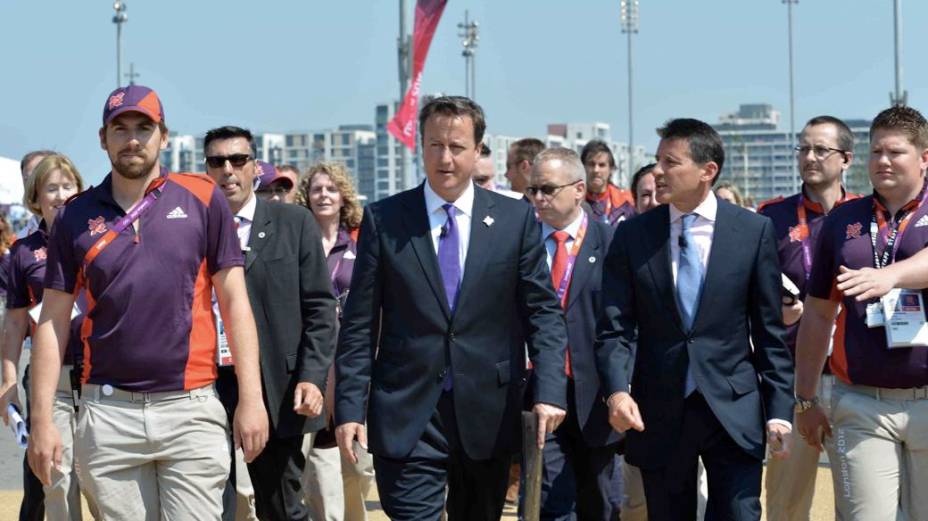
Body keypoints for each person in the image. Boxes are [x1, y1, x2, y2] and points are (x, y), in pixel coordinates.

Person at [27, 85, 269, 519]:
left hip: (190, 409)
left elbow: (235, 302)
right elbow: (51, 323)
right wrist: (42, 419)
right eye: (120, 129)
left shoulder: (202, 197)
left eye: (144, 127)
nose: (133, 139)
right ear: (103, 138)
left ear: (165, 135)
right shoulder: (74, 216)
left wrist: (251, 397)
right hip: (108, 414)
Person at [334, 95, 568, 520]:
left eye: (457, 147)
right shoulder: (385, 220)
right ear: (420, 146)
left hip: (487, 412)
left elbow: (543, 314)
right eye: (435, 145)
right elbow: (359, 323)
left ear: (478, 150)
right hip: (407, 412)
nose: (445, 158)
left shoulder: (515, 221)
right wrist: (349, 407)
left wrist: (550, 392)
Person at [595, 118, 794, 521]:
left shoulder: (752, 232)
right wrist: (617, 391)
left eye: (671, 162)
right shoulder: (633, 236)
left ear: (708, 171)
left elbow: (769, 331)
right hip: (660, 409)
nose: (658, 172)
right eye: (657, 161)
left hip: (733, 408)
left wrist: (779, 411)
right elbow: (615, 327)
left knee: (739, 514)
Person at [795, 105, 928, 521]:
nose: (882, 161)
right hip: (861, 402)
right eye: (875, 152)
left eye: (895, 152)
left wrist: (891, 276)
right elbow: (818, 314)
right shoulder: (844, 220)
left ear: (924, 157)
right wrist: (805, 399)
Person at [204, 126, 337, 521]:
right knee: (207, 503)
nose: (228, 170)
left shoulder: (293, 222)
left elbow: (320, 308)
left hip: (276, 387)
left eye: (238, 160)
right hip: (204, 383)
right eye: (217, 161)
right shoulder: (193, 226)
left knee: (280, 505)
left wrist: (311, 376)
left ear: (254, 167)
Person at [756, 115, 858, 521]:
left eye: (821, 149)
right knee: (786, 501)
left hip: (857, 382)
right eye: (803, 149)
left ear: (846, 159)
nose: (810, 157)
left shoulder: (869, 216)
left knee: (857, 501)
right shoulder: (771, 217)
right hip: (794, 382)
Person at [0, 155, 97, 521]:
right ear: (35, 198)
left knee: (102, 482)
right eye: (50, 188)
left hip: (101, 375)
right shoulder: (22, 253)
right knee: (56, 479)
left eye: (67, 186)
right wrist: (9, 377)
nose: (60, 196)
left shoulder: (100, 238)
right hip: (50, 378)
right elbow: (14, 322)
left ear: (80, 190)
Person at [528, 148, 621, 520]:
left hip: (595, 394)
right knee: (550, 502)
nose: (538, 198)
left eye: (547, 189)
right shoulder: (521, 242)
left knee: (600, 502)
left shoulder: (612, 242)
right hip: (537, 391)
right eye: (533, 189)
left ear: (579, 189)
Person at [297, 162, 376, 521]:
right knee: (317, 467)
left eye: (331, 188)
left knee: (358, 469)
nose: (324, 195)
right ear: (306, 197)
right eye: (316, 189)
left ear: (343, 194)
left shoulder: (362, 239)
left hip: (354, 364)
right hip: (310, 364)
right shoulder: (298, 239)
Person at [581, 140, 636, 226]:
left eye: (602, 165)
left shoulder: (627, 201)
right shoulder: (573, 201)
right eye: (591, 164)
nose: (596, 170)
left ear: (611, 169)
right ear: (583, 167)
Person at [16, 150, 56, 240]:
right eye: (27, 179)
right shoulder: (22, 239)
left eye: (39, 176)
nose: (32, 185)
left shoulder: (81, 225)